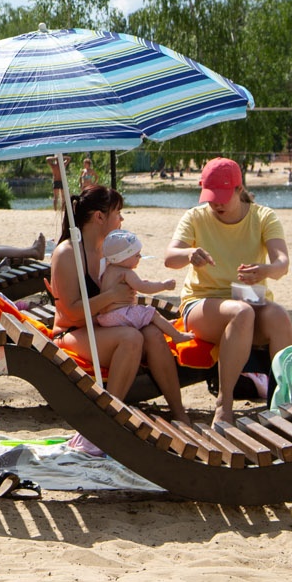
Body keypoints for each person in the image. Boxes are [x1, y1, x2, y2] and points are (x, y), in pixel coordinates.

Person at [164, 158, 292, 428]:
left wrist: (265, 270)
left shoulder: (263, 216)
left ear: (239, 189)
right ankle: (224, 406)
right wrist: (189, 254)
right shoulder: (195, 216)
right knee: (242, 312)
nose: (217, 203)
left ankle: (287, 402)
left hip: (247, 299)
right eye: (211, 197)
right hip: (202, 305)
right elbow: (170, 258)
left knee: (278, 315)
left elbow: (282, 264)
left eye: (223, 197)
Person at [49, 184, 187, 435]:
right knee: (132, 338)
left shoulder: (110, 253)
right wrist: (111, 295)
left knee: (153, 334)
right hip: (73, 332)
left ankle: (179, 413)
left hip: (104, 328)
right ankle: (111, 414)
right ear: (99, 217)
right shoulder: (68, 253)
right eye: (118, 212)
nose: (122, 219)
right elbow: (70, 313)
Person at [92, 229, 188, 343]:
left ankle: (165, 325)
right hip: (120, 314)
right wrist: (164, 285)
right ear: (123, 258)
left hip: (106, 317)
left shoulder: (108, 270)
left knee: (144, 315)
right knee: (152, 313)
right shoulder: (126, 272)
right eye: (137, 255)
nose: (140, 257)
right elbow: (144, 288)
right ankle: (177, 335)